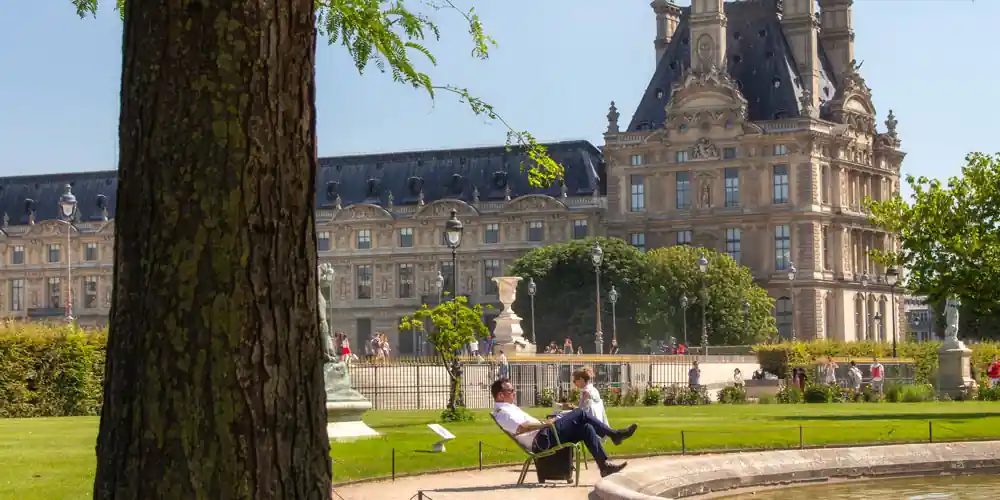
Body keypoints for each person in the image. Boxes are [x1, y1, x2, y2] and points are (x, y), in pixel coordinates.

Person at [491, 378, 635, 477]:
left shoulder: (508, 408)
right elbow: (521, 427)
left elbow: (525, 425)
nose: (514, 393)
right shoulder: (503, 412)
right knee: (579, 413)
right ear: (500, 395)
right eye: (511, 391)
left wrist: (544, 422)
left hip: (544, 434)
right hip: (542, 440)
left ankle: (604, 466)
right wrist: (546, 424)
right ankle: (614, 434)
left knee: (585, 428)